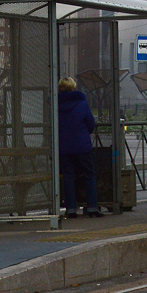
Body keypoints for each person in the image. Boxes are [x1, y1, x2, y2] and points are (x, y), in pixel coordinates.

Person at [57, 77, 100, 218]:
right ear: (73, 88)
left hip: (63, 146)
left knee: (69, 177)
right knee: (89, 175)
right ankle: (92, 207)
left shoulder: (55, 105)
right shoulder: (81, 103)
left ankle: (71, 210)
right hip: (82, 145)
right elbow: (91, 124)